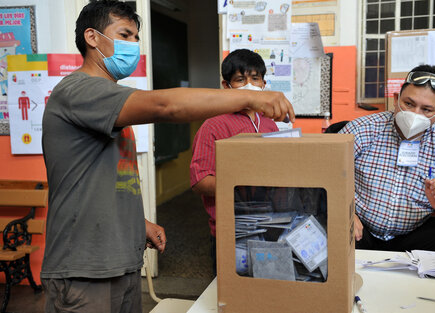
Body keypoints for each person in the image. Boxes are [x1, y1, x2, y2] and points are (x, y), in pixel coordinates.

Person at [41, 1, 295, 312]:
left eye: (136, 37)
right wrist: (251, 96)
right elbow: (167, 107)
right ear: (92, 38)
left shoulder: (107, 101)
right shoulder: (78, 91)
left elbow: (103, 179)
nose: (134, 45)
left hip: (119, 261)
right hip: (84, 268)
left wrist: (139, 223)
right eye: (125, 35)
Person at [339, 64, 435, 254]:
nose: (414, 114)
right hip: (360, 227)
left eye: (426, 109)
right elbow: (326, 176)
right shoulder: (362, 129)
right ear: (395, 99)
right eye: (408, 104)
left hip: (413, 232)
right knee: (328, 236)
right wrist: (345, 213)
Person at [190, 49, 280, 273]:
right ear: (226, 85)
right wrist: (243, 184)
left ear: (263, 84)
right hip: (232, 230)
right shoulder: (214, 125)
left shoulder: (270, 124)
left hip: (272, 225)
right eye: (241, 80)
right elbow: (200, 181)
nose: (249, 85)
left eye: (255, 79)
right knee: (231, 297)